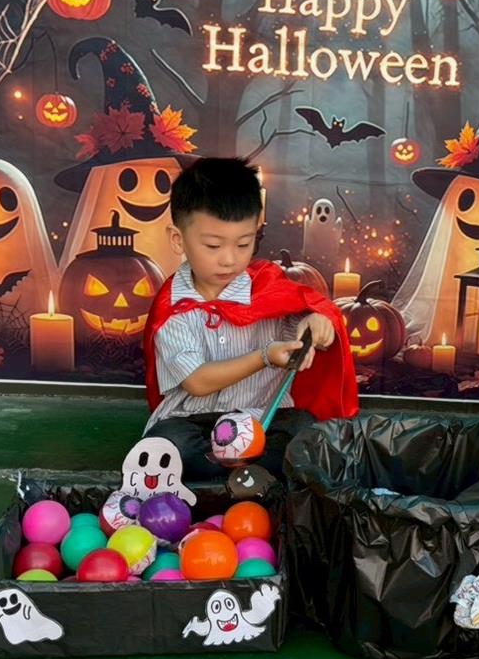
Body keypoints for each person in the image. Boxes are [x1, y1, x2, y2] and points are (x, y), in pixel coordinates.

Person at [142, 157, 358, 480]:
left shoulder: (267, 286)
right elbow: (197, 382)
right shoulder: (175, 306)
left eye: (244, 244)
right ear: (178, 239)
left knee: (309, 437)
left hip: (264, 418)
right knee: (167, 448)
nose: (229, 259)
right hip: (194, 421)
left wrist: (315, 324)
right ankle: (247, 475)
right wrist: (264, 356)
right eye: (213, 245)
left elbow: (309, 316)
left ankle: (236, 475)